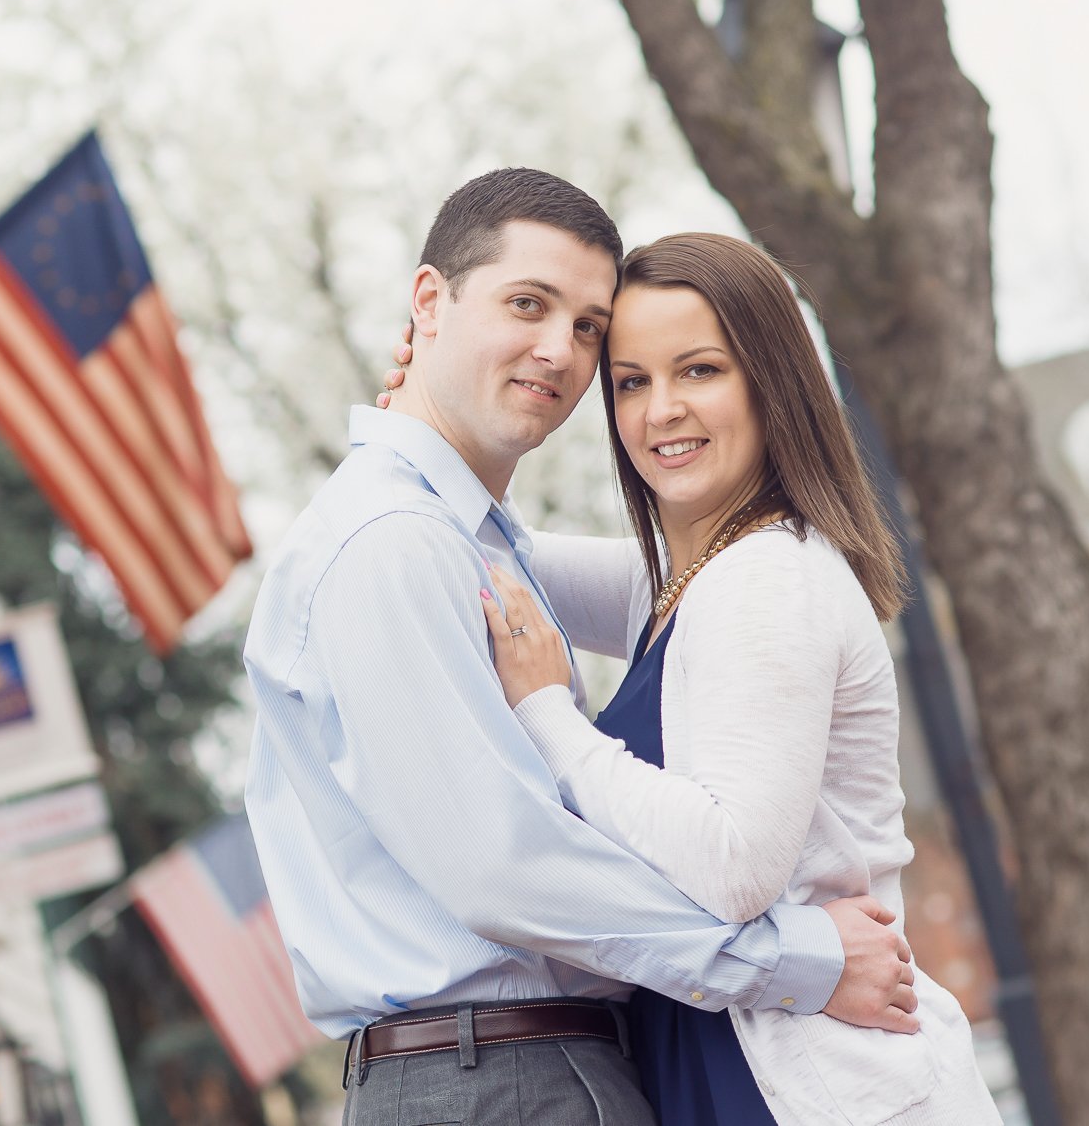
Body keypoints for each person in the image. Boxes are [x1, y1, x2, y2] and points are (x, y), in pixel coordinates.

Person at [243, 170, 920, 1126]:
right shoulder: (395, 542)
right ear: (429, 302)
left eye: (589, 329)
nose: (559, 349)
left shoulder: (719, 571)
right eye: (528, 304)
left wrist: (425, 455)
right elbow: (503, 867)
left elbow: (618, 589)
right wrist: (795, 959)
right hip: (500, 1075)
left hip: (543, 1065)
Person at [455, 232, 999, 1124]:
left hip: (812, 1076)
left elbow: (737, 866)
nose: (661, 409)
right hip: (732, 1061)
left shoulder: (767, 577)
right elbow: (497, 554)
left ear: (771, 380)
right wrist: (433, 409)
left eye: (699, 370)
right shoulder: (688, 581)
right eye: (631, 382)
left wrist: (551, 716)